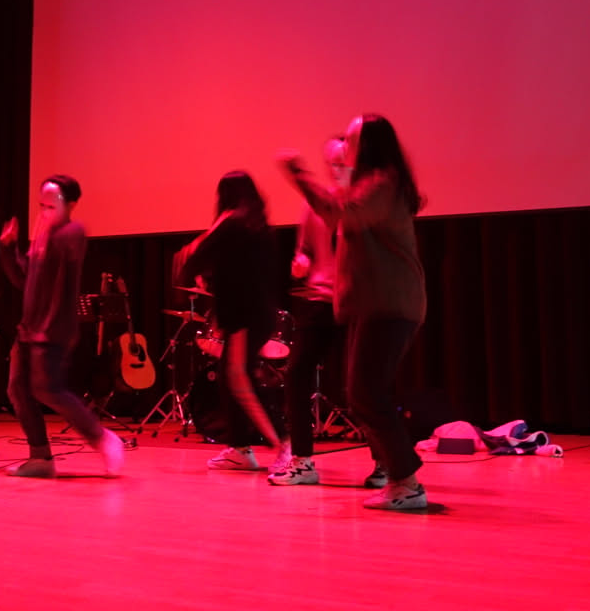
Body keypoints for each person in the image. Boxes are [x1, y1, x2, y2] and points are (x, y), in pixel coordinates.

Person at [278, 114, 429, 511]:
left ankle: (406, 481)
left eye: (352, 138)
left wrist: (299, 173)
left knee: (367, 392)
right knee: (363, 393)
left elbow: (339, 212)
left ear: (367, 145)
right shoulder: (373, 184)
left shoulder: (382, 182)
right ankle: (401, 478)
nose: (345, 146)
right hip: (374, 305)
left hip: (389, 304)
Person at [268, 137, 385, 488]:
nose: (336, 169)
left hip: (356, 301)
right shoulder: (314, 204)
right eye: (331, 163)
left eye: (342, 162)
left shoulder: (366, 202)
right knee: (296, 374)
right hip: (320, 300)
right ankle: (303, 460)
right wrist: (301, 261)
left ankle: (385, 463)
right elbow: (304, 249)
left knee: (363, 384)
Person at [1, 174, 125, 478]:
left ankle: (102, 437)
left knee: (48, 389)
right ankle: (40, 457)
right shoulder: (43, 239)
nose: (44, 210)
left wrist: (45, 235)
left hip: (52, 329)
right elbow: (23, 279)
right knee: (18, 389)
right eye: (41, 205)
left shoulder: (71, 233)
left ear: (70, 204)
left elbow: (64, 263)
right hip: (28, 328)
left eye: (51, 204)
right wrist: (8, 249)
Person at [173, 171, 285, 472]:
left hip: (245, 317)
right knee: (229, 377)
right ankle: (239, 448)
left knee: (240, 382)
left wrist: (188, 257)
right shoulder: (257, 227)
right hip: (255, 314)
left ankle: (283, 445)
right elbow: (232, 268)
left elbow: (198, 254)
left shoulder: (232, 221)